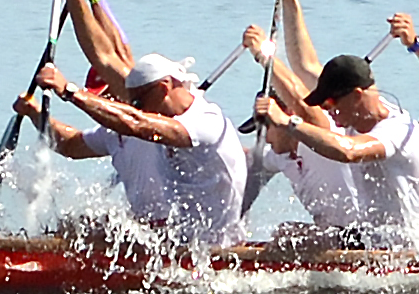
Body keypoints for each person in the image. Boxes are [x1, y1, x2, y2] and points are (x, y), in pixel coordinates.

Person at [25, 49, 252, 247]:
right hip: (176, 239)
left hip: (217, 246)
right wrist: (34, 114)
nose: (134, 108)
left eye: (137, 103)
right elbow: (70, 145)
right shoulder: (136, 127)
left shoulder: (206, 122)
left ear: (164, 88)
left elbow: (137, 123)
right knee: (80, 226)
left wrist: (69, 92)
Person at [244, 34, 419, 248]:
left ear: (357, 96)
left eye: (329, 102)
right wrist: (290, 0)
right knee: (288, 236)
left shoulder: (398, 130)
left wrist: (287, 122)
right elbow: (305, 65)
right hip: (372, 240)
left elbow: (349, 152)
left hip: (411, 249)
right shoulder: (354, 119)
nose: (328, 111)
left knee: (291, 239)